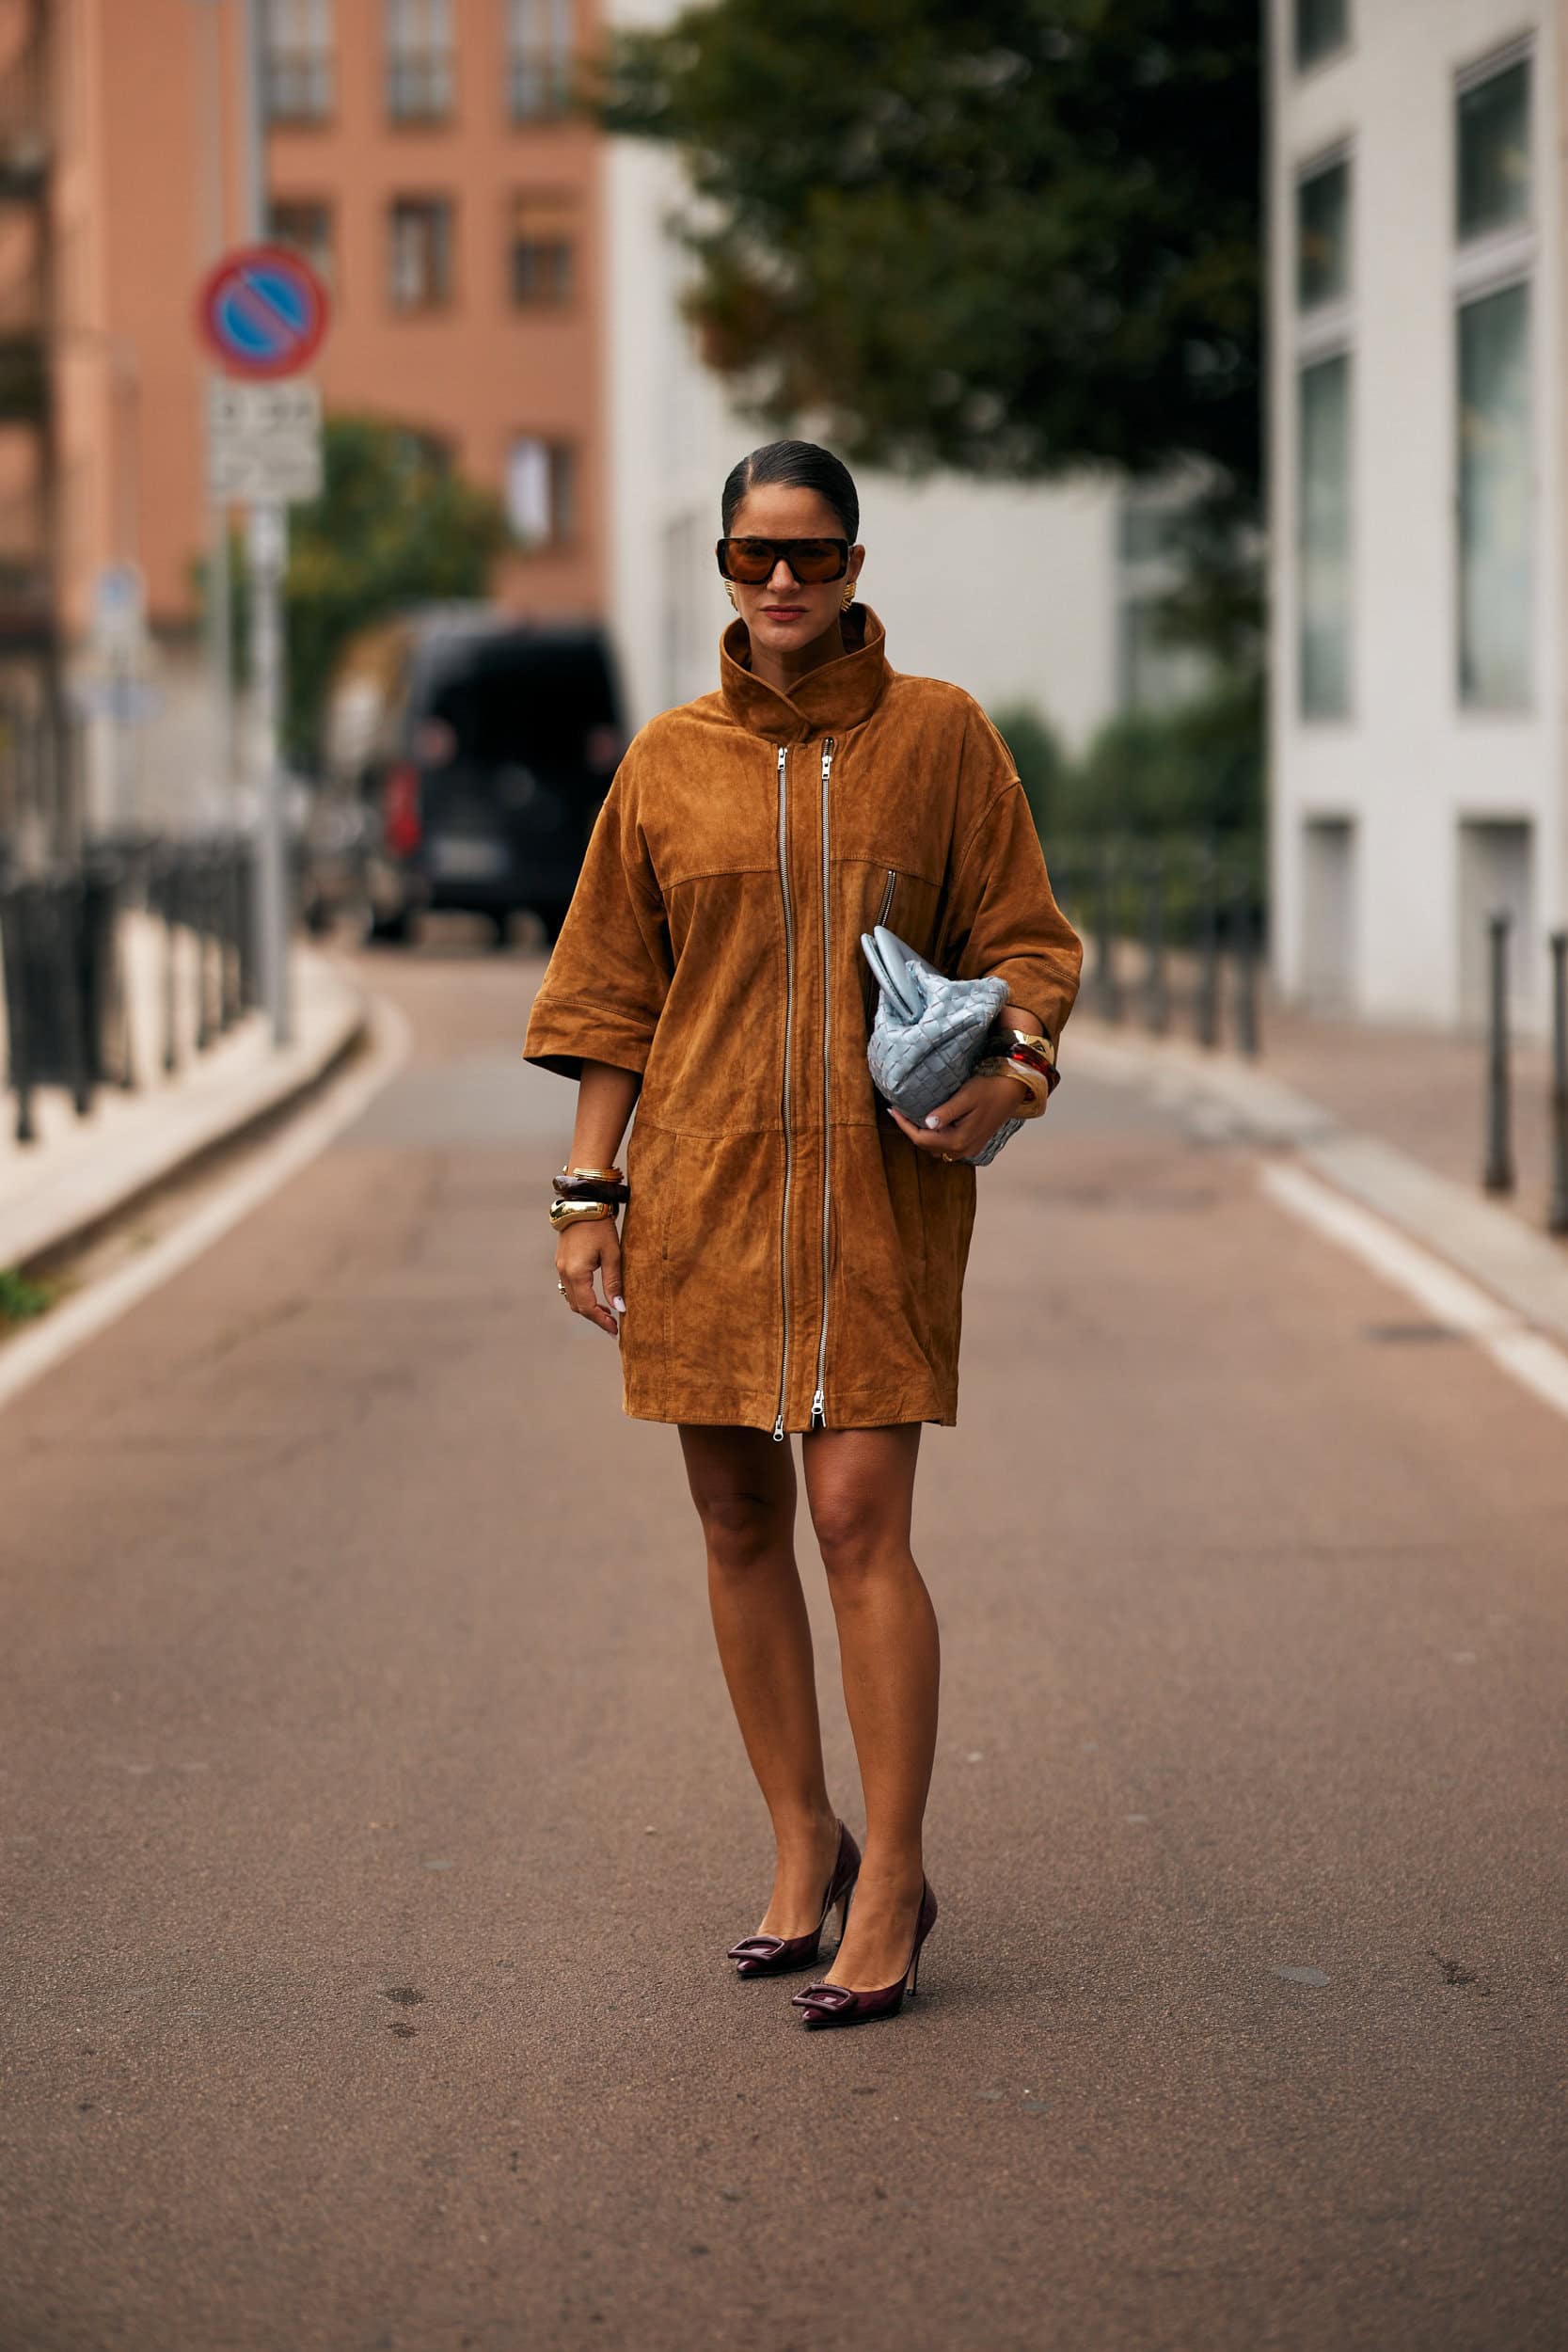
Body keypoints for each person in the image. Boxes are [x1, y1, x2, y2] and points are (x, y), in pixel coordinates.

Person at [524, 440, 1082, 2029]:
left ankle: (892, 1874)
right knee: (732, 1517)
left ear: (854, 566)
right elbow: (613, 993)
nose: (783, 581)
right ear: (722, 565)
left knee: (853, 1520)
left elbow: (1028, 941)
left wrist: (1014, 1077)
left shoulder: (942, 739)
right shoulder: (667, 761)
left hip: (878, 1193)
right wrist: (588, 1194)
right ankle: (800, 1840)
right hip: (699, 1188)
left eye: (813, 555)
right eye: (754, 556)